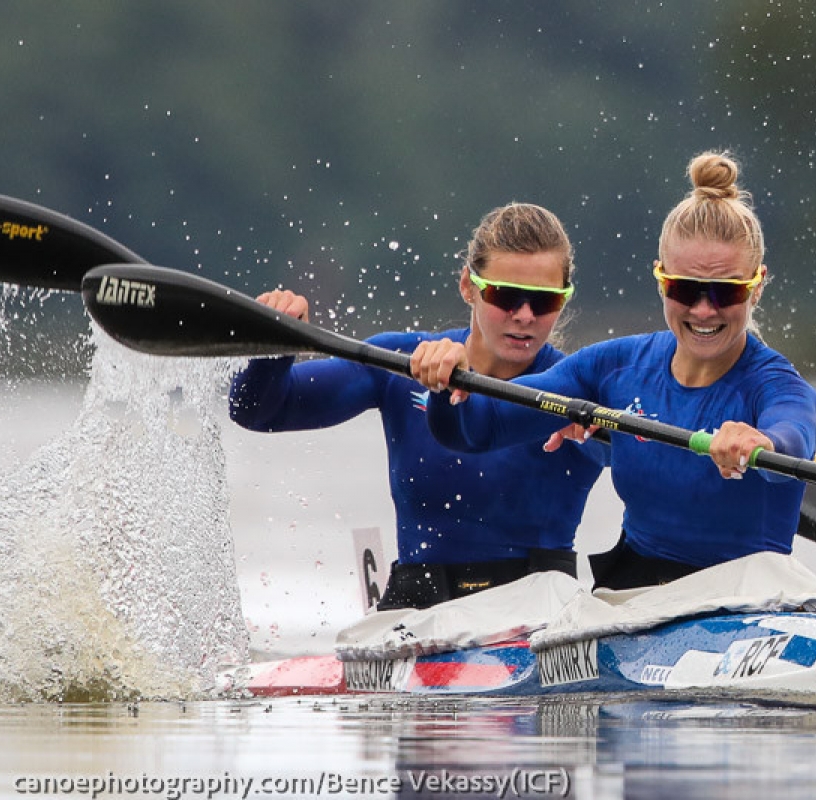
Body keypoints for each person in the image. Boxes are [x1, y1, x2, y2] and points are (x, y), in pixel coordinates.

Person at [410, 152, 816, 590]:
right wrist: (445, 380)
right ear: (662, 281)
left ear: (756, 288)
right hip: (635, 598)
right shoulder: (612, 368)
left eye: (727, 292)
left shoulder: (775, 385)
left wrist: (763, 443)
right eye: (686, 288)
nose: (704, 309)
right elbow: (476, 430)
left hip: (748, 598)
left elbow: (792, 442)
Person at [228, 203, 604, 609]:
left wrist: (599, 432)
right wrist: (275, 345)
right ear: (468, 287)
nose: (525, 315)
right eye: (506, 296)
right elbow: (258, 410)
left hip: (539, 615)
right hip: (418, 609)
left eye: (544, 301)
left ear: (564, 300)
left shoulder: (580, 394)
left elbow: (645, 459)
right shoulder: (401, 360)